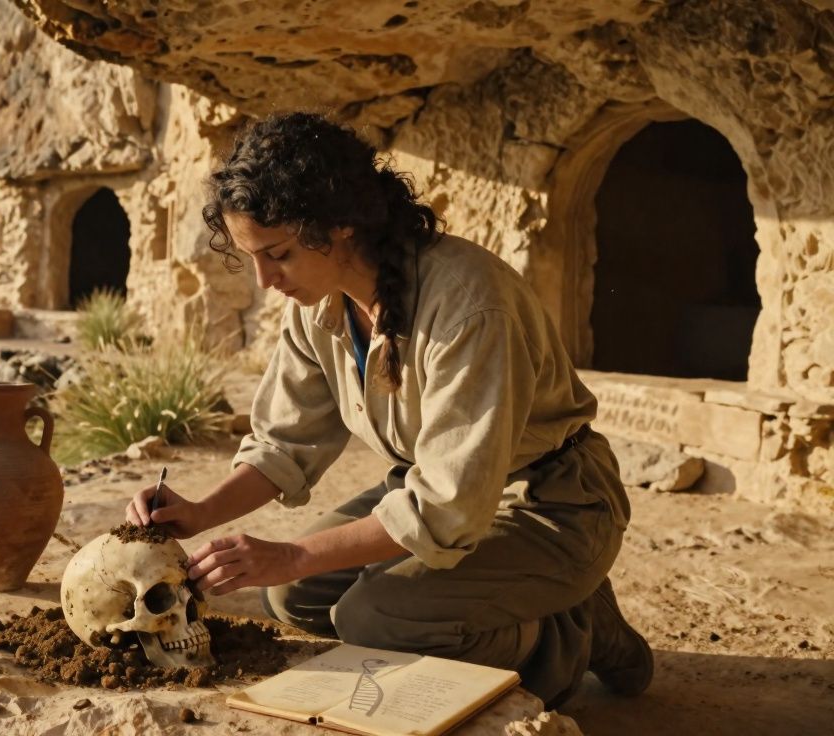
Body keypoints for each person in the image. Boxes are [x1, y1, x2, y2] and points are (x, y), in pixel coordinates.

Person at [124, 112, 653, 707]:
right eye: (251, 258)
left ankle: (576, 630)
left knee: (377, 619)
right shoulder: (317, 305)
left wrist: (291, 554)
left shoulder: (469, 305)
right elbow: (282, 447)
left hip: (551, 503)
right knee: (293, 597)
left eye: (278, 254)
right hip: (442, 496)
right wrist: (198, 512)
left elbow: (447, 507)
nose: (265, 280)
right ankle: (525, 593)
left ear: (341, 226)